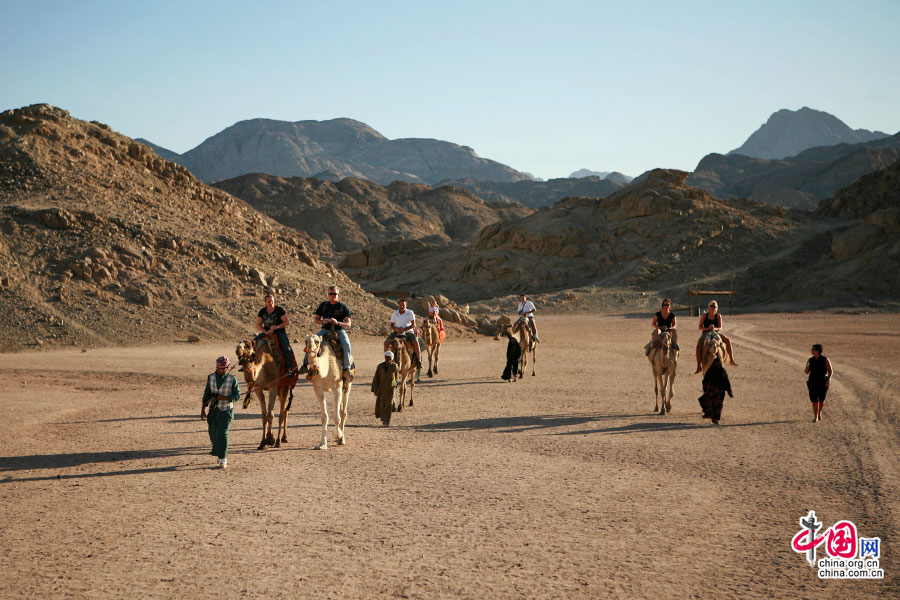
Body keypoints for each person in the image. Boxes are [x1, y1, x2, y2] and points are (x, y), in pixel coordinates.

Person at [305, 285, 354, 380]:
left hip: (339, 330)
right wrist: (323, 321)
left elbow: (348, 324)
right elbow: (316, 320)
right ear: (328, 295)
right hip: (325, 329)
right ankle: (306, 365)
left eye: (334, 293)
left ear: (338, 294)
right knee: (312, 341)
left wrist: (338, 322)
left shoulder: (343, 307)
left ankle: (346, 369)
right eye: (331, 294)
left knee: (346, 344)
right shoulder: (324, 305)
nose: (333, 295)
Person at [200, 356, 241, 468]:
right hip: (213, 411)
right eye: (219, 368)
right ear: (216, 367)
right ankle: (218, 453)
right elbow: (207, 393)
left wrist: (223, 398)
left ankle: (223, 459)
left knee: (223, 434)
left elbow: (237, 395)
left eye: (224, 368)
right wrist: (203, 409)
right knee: (213, 433)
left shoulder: (233, 379)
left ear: (227, 367)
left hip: (226, 411)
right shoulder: (211, 377)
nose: (221, 370)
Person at [254, 293, 297, 373]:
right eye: (269, 301)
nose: (271, 303)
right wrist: (265, 331)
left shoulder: (279, 310)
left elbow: (287, 322)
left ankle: (290, 368)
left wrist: (276, 327)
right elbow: (258, 324)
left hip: (279, 331)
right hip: (267, 332)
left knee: (286, 347)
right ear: (265, 303)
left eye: (272, 301)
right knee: (253, 343)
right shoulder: (262, 311)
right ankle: (250, 365)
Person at [694, 300, 738, 374]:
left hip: (715, 332)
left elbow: (720, 327)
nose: (713, 308)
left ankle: (731, 359)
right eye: (711, 306)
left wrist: (714, 328)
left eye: (714, 306)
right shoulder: (704, 316)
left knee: (727, 340)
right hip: (706, 333)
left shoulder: (718, 316)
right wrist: (708, 328)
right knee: (699, 345)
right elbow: (700, 327)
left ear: (716, 308)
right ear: (709, 307)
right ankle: (699, 366)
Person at [385, 299, 422, 369]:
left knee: (415, 343)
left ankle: (419, 361)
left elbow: (414, 325)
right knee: (386, 343)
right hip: (396, 332)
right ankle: (386, 360)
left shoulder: (410, 312)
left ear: (406, 305)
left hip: (408, 332)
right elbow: (391, 325)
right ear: (398, 305)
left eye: (403, 305)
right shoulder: (395, 313)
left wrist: (404, 330)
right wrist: (396, 329)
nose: (402, 306)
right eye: (400, 305)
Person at [697, 357, 733, 425]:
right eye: (715, 363)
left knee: (718, 406)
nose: (716, 365)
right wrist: (706, 388)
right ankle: (698, 365)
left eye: (718, 363)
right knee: (709, 404)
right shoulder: (710, 371)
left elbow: (726, 381)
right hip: (711, 393)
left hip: (719, 394)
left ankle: (715, 419)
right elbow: (705, 381)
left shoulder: (722, 371)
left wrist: (729, 391)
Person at [805, 343, 834, 423]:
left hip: (823, 382)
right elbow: (806, 372)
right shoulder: (810, 360)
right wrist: (807, 367)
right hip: (812, 382)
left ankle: (819, 413)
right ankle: (815, 417)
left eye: (813, 349)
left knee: (821, 399)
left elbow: (830, 371)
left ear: (817, 350)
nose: (811, 351)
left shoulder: (825, 359)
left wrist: (829, 380)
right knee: (814, 400)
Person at [371, 350, 399, 426]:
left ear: (392, 358)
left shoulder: (395, 366)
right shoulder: (380, 366)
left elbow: (396, 377)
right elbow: (376, 378)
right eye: (386, 358)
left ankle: (386, 420)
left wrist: (395, 384)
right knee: (381, 404)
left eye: (389, 358)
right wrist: (374, 389)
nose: (387, 359)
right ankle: (383, 418)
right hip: (382, 388)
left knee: (389, 404)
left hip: (391, 388)